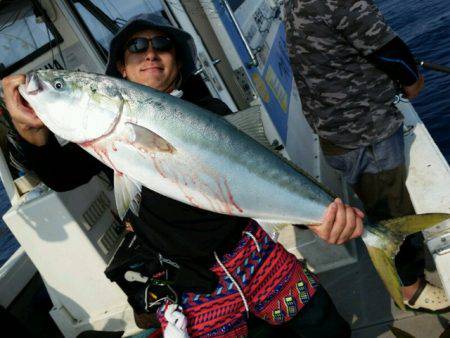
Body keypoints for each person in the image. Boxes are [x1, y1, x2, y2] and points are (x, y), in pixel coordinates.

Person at [2, 13, 365, 337]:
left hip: (252, 250)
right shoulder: (105, 136)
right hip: (187, 279)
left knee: (324, 325)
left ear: (178, 65)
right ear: (121, 71)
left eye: (163, 45)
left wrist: (316, 217)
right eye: (136, 48)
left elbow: (256, 180)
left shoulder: (208, 112)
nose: (150, 53)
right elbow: (62, 176)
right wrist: (31, 130)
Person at [283, 0, 450, 312]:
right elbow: (388, 49)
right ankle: (411, 288)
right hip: (366, 131)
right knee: (391, 210)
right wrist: (413, 80)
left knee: (377, 200)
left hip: (337, 131)